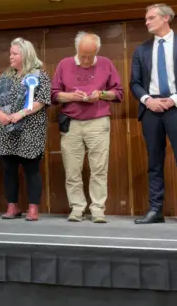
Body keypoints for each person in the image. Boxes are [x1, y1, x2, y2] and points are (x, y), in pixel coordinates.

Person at [130, 3, 177, 228]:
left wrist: (174, 99)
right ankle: (155, 210)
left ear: (166, 18)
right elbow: (134, 83)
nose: (146, 22)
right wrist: (148, 100)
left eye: (151, 17)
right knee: (154, 162)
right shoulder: (141, 50)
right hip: (151, 109)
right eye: (146, 18)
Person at [51, 32, 124, 224]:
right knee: (72, 169)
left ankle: (98, 209)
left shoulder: (106, 63)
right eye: (83, 55)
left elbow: (118, 93)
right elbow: (54, 95)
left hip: (98, 122)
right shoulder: (64, 64)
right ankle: (77, 207)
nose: (86, 60)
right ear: (77, 49)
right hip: (71, 123)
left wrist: (100, 94)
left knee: (99, 168)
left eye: (90, 56)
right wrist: (71, 96)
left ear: (97, 52)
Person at [0, 37, 51, 221]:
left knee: (31, 170)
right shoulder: (5, 76)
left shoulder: (40, 75)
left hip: (29, 130)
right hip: (6, 129)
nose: (10, 57)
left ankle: (33, 208)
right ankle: (12, 206)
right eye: (10, 53)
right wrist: (0, 115)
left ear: (25, 55)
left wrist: (21, 114)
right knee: (9, 170)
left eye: (14, 54)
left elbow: (42, 101)